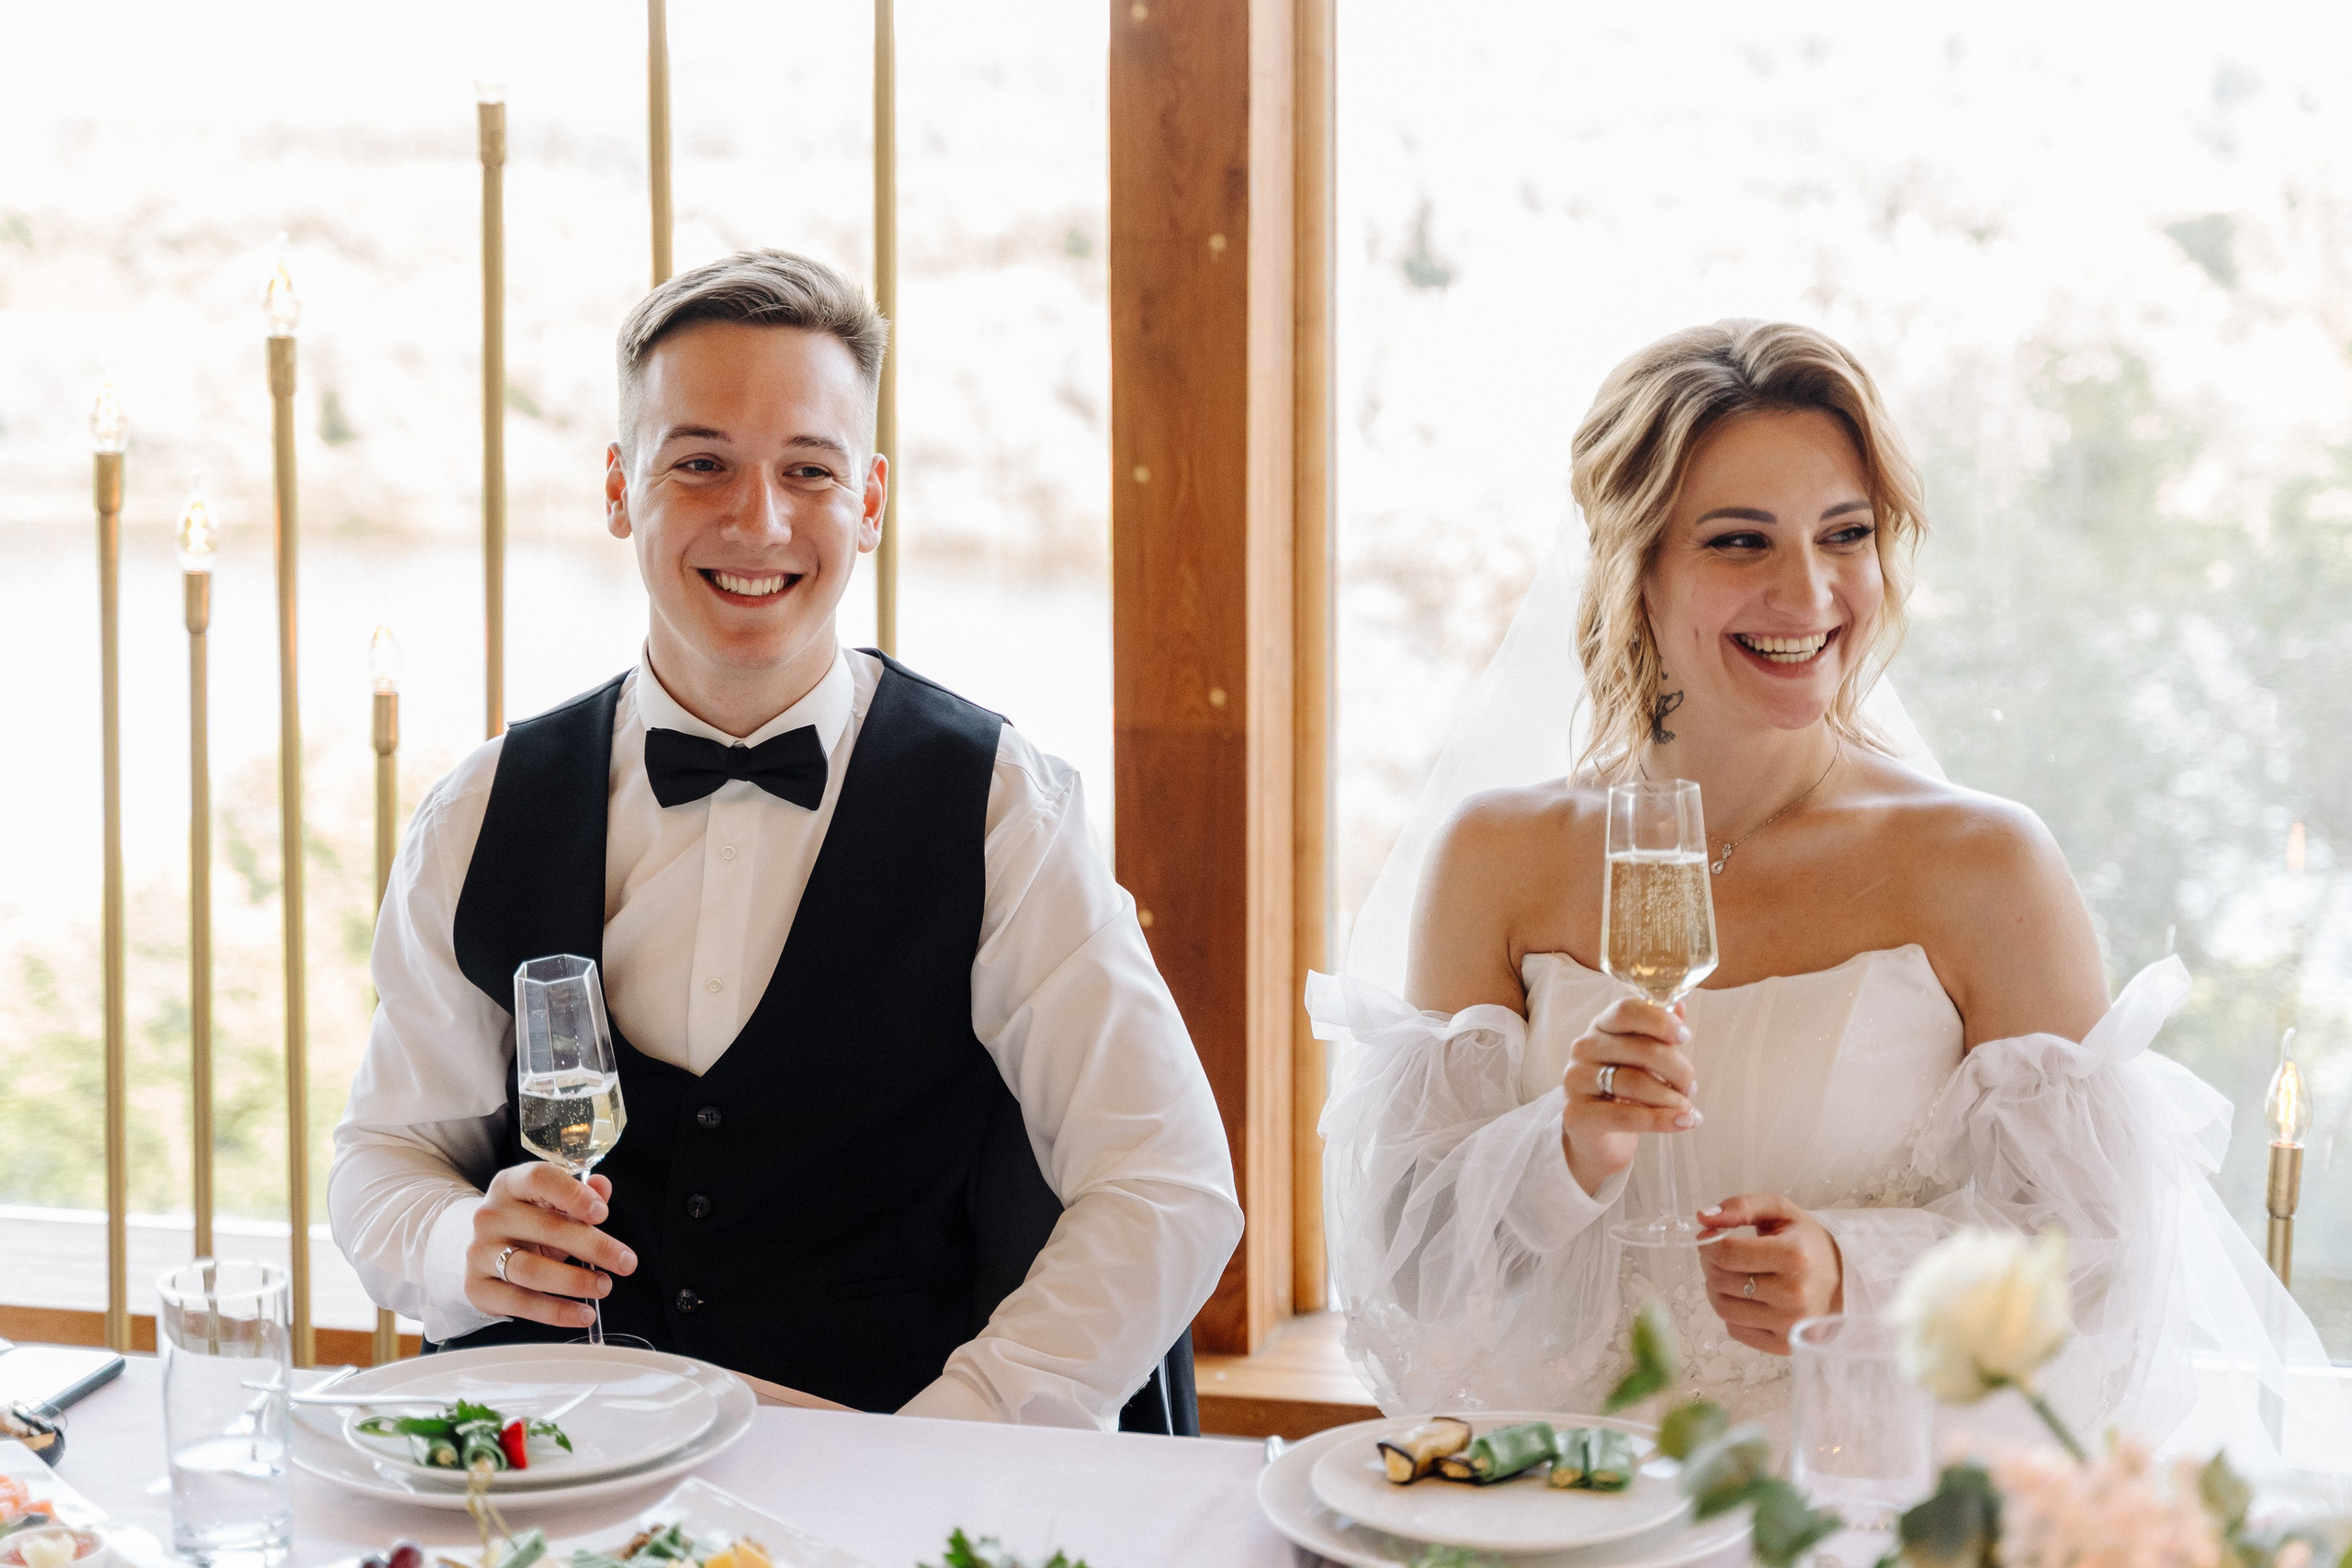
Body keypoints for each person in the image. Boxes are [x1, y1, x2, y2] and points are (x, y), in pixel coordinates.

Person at [1309, 320, 2344, 1462]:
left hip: (1854, 1498)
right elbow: (1403, 1264)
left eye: (1842, 534)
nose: (1805, 593)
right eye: (1740, 542)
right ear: (1636, 567)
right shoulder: (1495, 855)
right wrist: (1566, 1150)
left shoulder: (1985, 866)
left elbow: (2095, 1277)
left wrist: (1855, 1275)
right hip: (1566, 1503)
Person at [329, 249, 1242, 1427]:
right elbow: (384, 1156)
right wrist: (460, 1241)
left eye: (807, 470)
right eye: (700, 462)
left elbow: (1164, 1186)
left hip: (881, 1487)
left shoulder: (1004, 807)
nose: (756, 520)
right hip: (550, 1472)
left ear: (867, 503)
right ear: (619, 488)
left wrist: (951, 1443)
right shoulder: (477, 812)